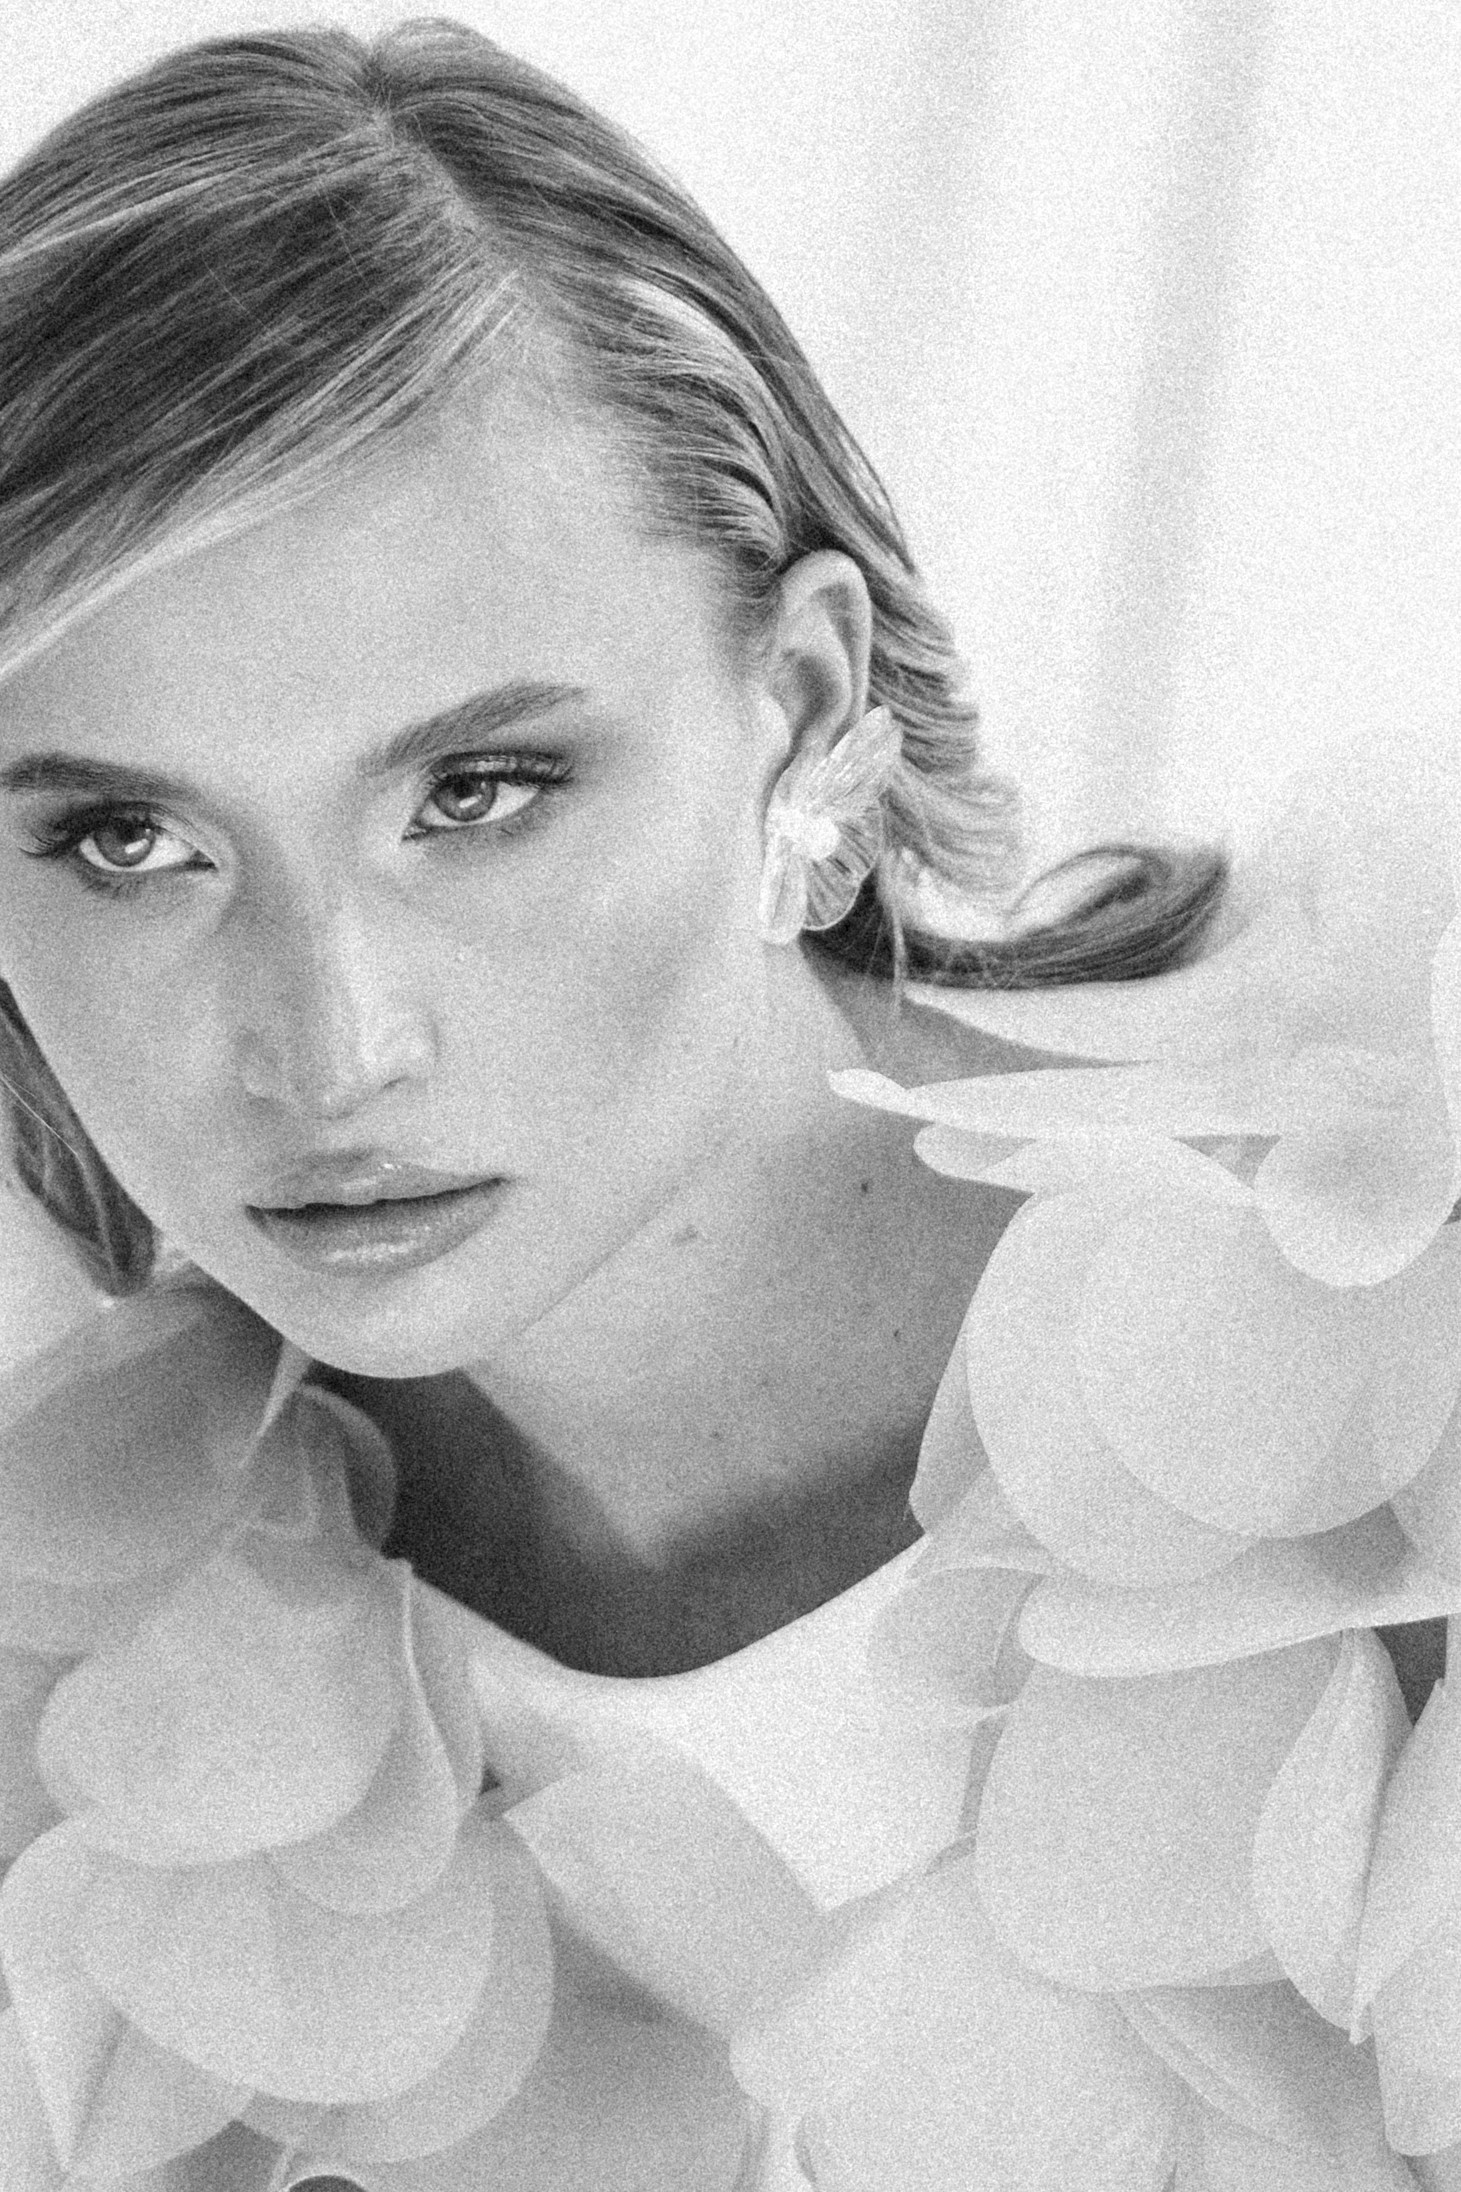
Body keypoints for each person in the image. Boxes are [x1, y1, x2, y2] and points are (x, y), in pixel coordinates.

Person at [0, 19, 1451, 2192]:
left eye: (478, 792)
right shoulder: (87, 1674)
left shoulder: (1408, 1363)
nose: (327, 1045)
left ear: (799, 697)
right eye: (129, 841)